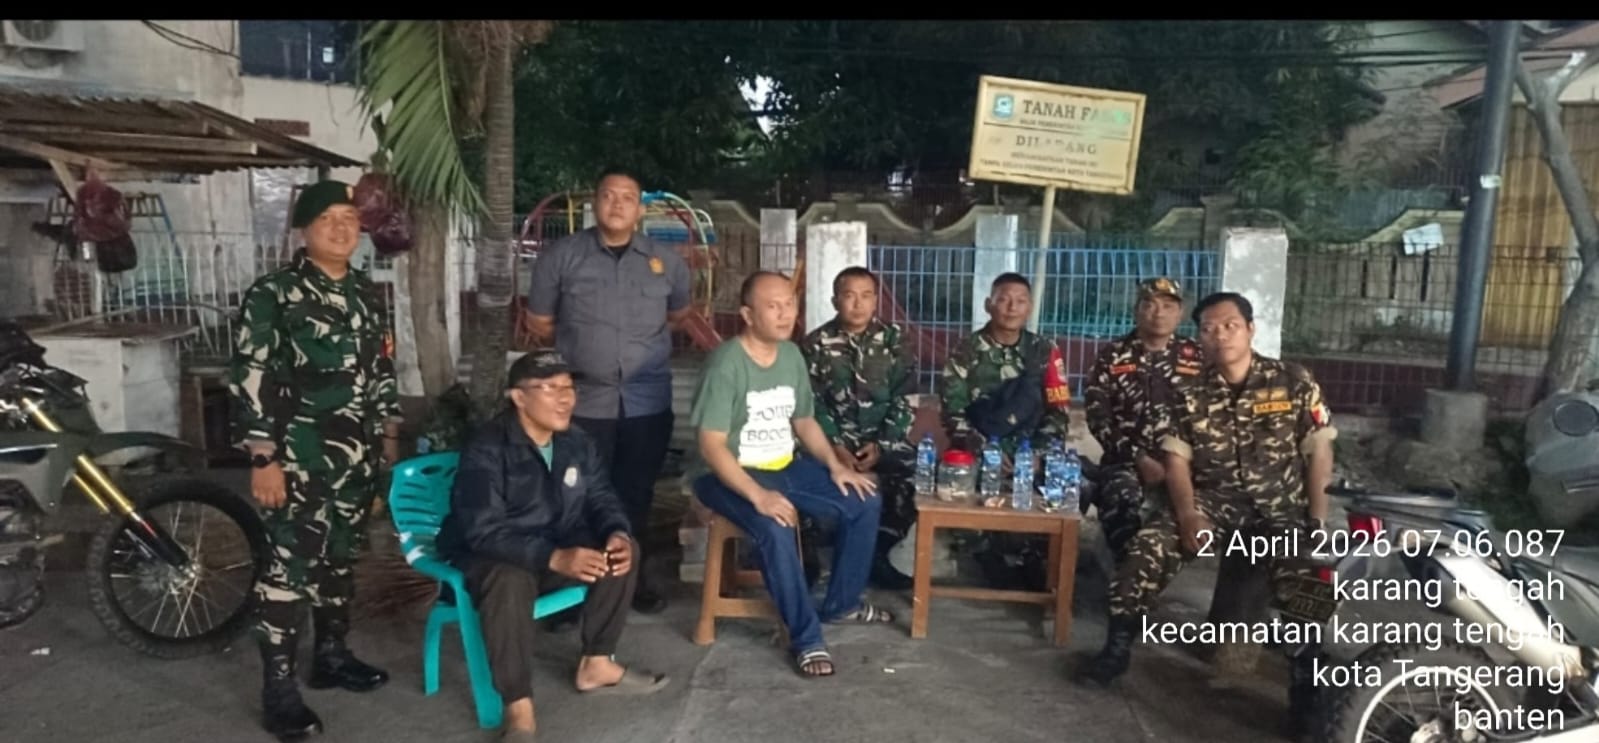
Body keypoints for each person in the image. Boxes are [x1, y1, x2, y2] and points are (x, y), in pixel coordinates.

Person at [1075, 292, 1337, 741]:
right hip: (1214, 503)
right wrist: (1188, 515)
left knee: (1309, 588)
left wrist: (1316, 523)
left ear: (1250, 329)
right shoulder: (1188, 391)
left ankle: (1307, 694)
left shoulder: (1292, 381)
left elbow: (1320, 452)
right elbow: (1177, 462)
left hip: (1280, 509)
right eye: (1209, 329)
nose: (1220, 336)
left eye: (1230, 326)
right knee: (1145, 549)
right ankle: (1115, 653)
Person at [228, 179, 401, 740]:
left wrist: (387, 442)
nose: (341, 227)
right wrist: (263, 457)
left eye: (349, 217)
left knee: (339, 560)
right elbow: (250, 375)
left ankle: (330, 655)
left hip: (357, 458)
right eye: (327, 218)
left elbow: (381, 370)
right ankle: (278, 690)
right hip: (298, 460)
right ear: (303, 229)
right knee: (288, 570)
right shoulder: (274, 294)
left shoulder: (365, 292)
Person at [436, 350, 669, 743]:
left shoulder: (576, 440)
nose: (564, 398)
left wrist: (616, 530)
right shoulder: (487, 447)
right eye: (549, 388)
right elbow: (482, 531)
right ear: (518, 397)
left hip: (551, 548)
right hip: (490, 557)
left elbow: (601, 497)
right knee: (509, 581)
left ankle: (597, 662)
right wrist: (555, 557)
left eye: (569, 387)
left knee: (621, 549)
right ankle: (518, 707)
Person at [690, 271, 893, 678]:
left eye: (790, 304)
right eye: (773, 306)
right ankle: (806, 638)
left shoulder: (791, 356)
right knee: (776, 524)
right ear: (748, 315)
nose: (785, 314)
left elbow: (804, 421)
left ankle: (842, 604)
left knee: (864, 499)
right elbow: (711, 446)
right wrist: (758, 495)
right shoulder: (726, 364)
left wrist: (835, 467)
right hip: (727, 474)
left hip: (784, 465)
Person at [525, 166, 692, 614]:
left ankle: (630, 583)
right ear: (594, 203)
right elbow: (540, 322)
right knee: (574, 494)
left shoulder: (666, 262)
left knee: (635, 493)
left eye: (627, 197)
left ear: (640, 210)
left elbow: (678, 316)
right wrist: (587, 348)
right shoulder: (562, 256)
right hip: (581, 402)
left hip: (646, 401)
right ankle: (571, 593)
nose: (617, 204)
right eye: (608, 195)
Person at [799, 266, 919, 589]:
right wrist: (835, 446)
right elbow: (810, 402)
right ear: (835, 300)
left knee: (915, 473)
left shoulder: (895, 340)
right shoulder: (815, 343)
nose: (858, 304)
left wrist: (881, 445)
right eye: (849, 296)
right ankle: (808, 556)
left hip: (882, 440)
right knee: (800, 470)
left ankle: (878, 554)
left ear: (876, 300)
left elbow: (906, 396)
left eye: (866, 296)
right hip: (830, 443)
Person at [1082, 277, 1204, 559]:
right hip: (1126, 461)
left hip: (1186, 463)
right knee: (1122, 501)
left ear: (1180, 313)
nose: (1158, 313)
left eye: (1168, 306)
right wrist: (1138, 457)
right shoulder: (1112, 355)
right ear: (1136, 310)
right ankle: (1125, 570)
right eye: (1149, 305)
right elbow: (1098, 417)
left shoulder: (1196, 357)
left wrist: (1183, 464)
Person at [940, 272, 1068, 457]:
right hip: (978, 451)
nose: (1012, 308)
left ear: (1030, 308)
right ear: (988, 305)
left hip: (1031, 453)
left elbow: (1058, 412)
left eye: (1021, 301)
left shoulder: (1045, 350)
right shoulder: (966, 350)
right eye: (1003, 300)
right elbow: (952, 410)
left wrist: (1036, 455)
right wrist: (987, 452)